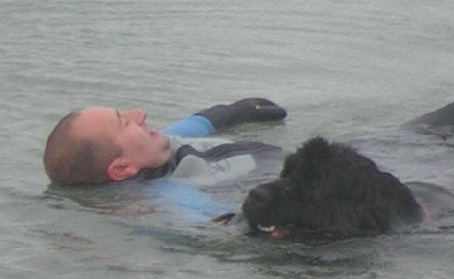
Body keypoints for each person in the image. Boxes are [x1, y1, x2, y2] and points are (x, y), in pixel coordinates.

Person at [43, 98, 288, 185]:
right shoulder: (175, 194)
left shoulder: (155, 144)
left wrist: (239, 110)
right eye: (125, 123)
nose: (139, 114)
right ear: (122, 168)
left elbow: (199, 124)